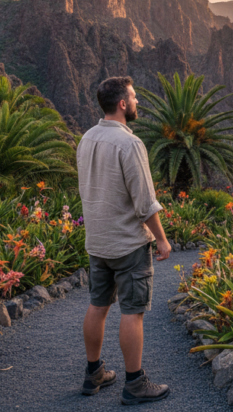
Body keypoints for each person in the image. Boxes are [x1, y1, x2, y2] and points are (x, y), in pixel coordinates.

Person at [77, 76, 172, 405]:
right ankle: (135, 384)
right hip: (128, 244)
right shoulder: (130, 144)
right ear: (122, 104)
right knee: (132, 312)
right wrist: (161, 239)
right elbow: (145, 201)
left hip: (97, 242)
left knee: (98, 306)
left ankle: (93, 374)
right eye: (133, 97)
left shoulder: (86, 138)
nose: (136, 102)